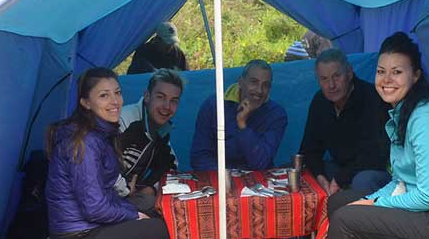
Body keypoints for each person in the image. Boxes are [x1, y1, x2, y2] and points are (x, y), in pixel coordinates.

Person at [326, 32, 429, 239]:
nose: (386, 80)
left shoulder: (427, 119)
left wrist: (376, 203)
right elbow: (401, 182)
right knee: (339, 203)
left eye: (397, 72)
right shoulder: (402, 114)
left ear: (416, 76)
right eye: (381, 71)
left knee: (345, 219)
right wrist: (370, 201)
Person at [45, 68, 169, 239]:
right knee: (162, 229)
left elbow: (104, 195)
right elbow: (94, 208)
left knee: (154, 208)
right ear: (86, 103)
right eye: (104, 95)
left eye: (117, 93)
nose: (115, 101)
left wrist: (134, 211)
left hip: (93, 222)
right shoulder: (84, 142)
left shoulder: (101, 133)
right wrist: (134, 215)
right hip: (77, 232)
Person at [298, 49, 391, 196]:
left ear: (349, 73)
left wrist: (339, 180)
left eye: (336, 76)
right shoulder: (320, 101)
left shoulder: (372, 98)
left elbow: (375, 155)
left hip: (373, 171)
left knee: (362, 180)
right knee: (304, 171)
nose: (331, 85)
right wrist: (321, 178)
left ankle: (358, 216)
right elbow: (309, 150)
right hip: (340, 169)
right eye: (324, 79)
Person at [190, 59, 288, 171]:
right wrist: (227, 176)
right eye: (254, 82)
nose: (260, 90)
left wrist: (242, 125)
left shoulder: (276, 114)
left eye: (266, 85)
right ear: (241, 82)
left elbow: (261, 163)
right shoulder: (214, 105)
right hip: (218, 177)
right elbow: (199, 157)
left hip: (258, 181)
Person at [118, 68, 183, 196]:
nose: (167, 106)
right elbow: (101, 166)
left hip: (128, 195)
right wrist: (125, 190)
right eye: (160, 97)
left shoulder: (161, 129)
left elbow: (171, 165)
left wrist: (152, 188)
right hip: (108, 198)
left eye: (173, 101)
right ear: (147, 96)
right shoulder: (123, 120)